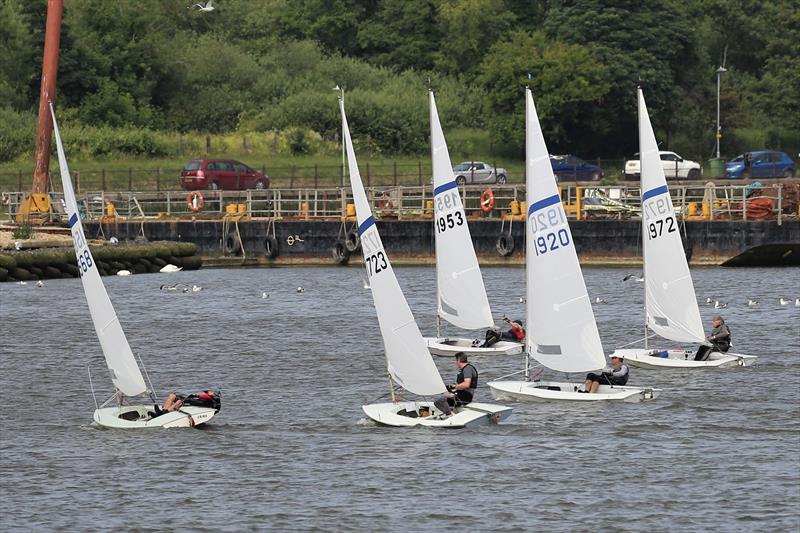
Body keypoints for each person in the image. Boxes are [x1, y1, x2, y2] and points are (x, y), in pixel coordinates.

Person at [434, 352, 478, 417]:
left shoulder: (467, 369)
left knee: (439, 401)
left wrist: (455, 387)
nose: (455, 362)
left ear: (458, 360)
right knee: (446, 389)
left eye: (456, 360)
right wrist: (452, 387)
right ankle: (451, 410)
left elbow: (466, 384)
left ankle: (449, 416)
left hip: (465, 397)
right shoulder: (467, 368)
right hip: (462, 394)